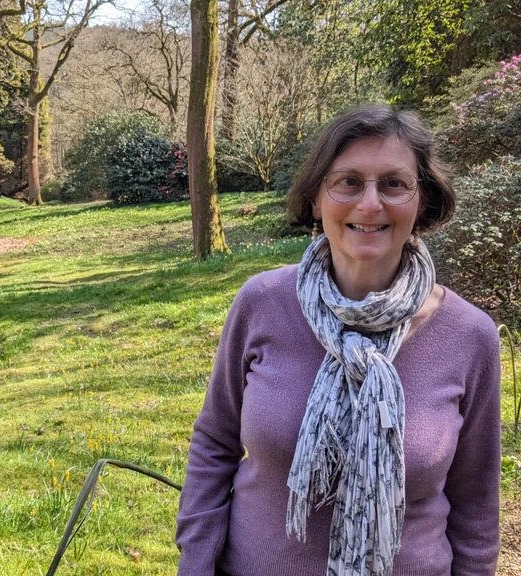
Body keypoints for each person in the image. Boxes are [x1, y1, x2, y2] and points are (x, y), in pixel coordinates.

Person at [175, 104, 501, 576]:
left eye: (394, 183)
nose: (370, 204)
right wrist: (197, 565)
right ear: (316, 200)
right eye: (348, 181)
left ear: (422, 201)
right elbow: (214, 444)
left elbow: (476, 499)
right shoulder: (262, 303)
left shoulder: (469, 335)